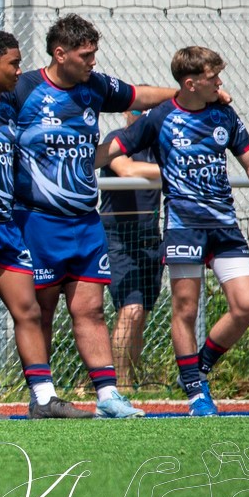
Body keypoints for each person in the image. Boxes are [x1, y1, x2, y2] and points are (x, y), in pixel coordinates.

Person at [97, 46, 249, 416]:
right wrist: (73, 157)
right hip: (184, 226)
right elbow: (117, 148)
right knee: (184, 309)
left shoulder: (224, 115)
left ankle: (197, 370)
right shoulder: (160, 118)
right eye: (212, 77)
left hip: (223, 226)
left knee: (247, 306)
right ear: (191, 83)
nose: (220, 83)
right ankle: (195, 394)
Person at [12, 13, 182, 419]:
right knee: (40, 310)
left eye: (94, 54)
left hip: (85, 221)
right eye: (86, 55)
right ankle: (42, 395)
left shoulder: (96, 86)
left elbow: (139, 96)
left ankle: (107, 396)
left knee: (89, 308)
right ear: (60, 53)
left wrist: (187, 97)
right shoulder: (23, 89)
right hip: (37, 219)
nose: (93, 62)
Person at [0, 30, 77, 419]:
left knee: (29, 309)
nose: (19, 71)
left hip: (8, 224)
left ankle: (43, 397)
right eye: (13, 64)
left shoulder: (11, 106)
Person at [98, 111, 163, 392]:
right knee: (131, 309)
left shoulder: (160, 146)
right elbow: (126, 170)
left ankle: (130, 383)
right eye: (138, 113)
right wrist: (172, 170)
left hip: (151, 239)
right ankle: (120, 388)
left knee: (141, 314)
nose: (144, 119)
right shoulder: (116, 141)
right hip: (120, 238)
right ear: (127, 114)